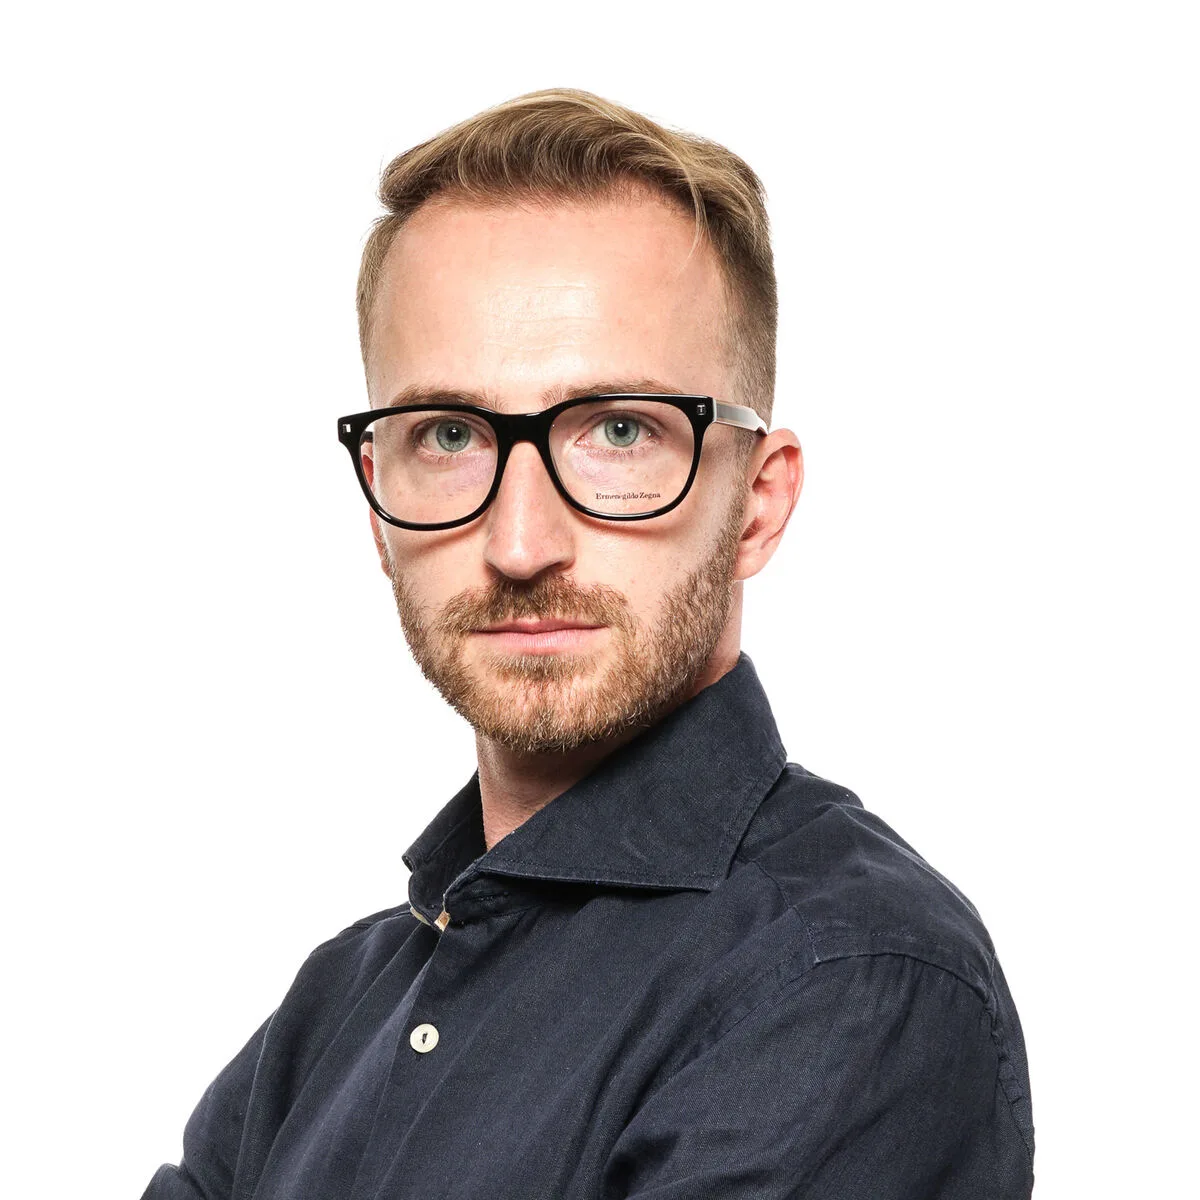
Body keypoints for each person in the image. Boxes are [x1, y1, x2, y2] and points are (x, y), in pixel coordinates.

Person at [143, 88, 1034, 1199]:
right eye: (449, 436)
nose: (521, 543)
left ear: (757, 503)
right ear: (377, 504)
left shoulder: (844, 978)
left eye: (619, 431)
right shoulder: (329, 1016)